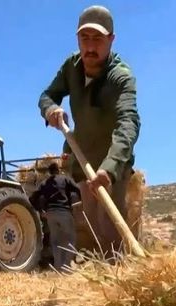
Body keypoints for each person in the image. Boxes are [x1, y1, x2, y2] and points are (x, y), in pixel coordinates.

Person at [38, 5, 140, 261]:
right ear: (77, 39)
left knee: (111, 228)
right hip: (82, 160)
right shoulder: (71, 67)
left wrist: (110, 168)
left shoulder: (121, 77)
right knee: (92, 227)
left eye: (98, 39)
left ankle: (122, 275)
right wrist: (51, 109)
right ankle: (102, 274)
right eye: (85, 38)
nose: (90, 47)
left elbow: (128, 122)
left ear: (111, 40)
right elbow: (47, 95)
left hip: (111, 165)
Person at [29, 162, 82, 272]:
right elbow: (77, 189)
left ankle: (58, 267)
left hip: (51, 214)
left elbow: (32, 198)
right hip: (64, 211)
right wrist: (79, 202)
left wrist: (40, 210)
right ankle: (66, 266)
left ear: (49, 172)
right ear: (58, 170)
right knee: (70, 239)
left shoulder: (44, 183)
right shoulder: (65, 179)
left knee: (56, 241)